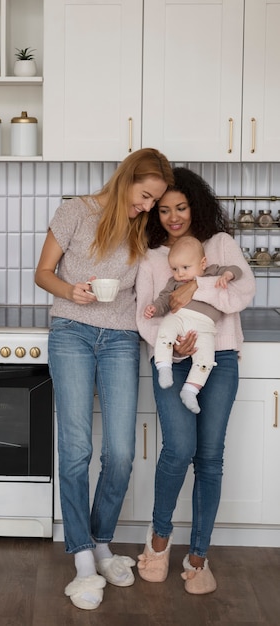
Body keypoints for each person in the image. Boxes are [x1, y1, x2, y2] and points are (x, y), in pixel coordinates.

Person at [34, 148, 174, 611]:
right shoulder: (75, 210)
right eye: (146, 195)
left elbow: (169, 271)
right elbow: (43, 273)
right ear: (128, 179)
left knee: (121, 451)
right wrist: (71, 291)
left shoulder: (143, 227)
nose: (149, 206)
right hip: (71, 331)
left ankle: (100, 540)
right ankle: (81, 557)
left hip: (120, 339)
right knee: (76, 448)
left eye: (155, 201)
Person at [136, 167, 255, 595]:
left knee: (209, 457)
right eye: (164, 209)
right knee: (178, 450)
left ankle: (199, 555)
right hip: (174, 360)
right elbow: (145, 317)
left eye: (181, 207)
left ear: (195, 206)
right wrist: (174, 348)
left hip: (220, 359)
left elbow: (242, 293)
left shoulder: (220, 245)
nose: (173, 217)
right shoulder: (151, 257)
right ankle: (160, 538)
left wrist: (195, 285)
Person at [144, 235, 242, 414]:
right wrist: (154, 309)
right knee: (165, 331)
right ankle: (164, 367)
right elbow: (164, 300)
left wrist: (227, 275)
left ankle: (190, 390)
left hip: (205, 328)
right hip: (179, 318)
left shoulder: (213, 273)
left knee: (205, 360)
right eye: (174, 268)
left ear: (203, 263)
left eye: (185, 267)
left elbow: (237, 270)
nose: (180, 273)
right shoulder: (174, 283)